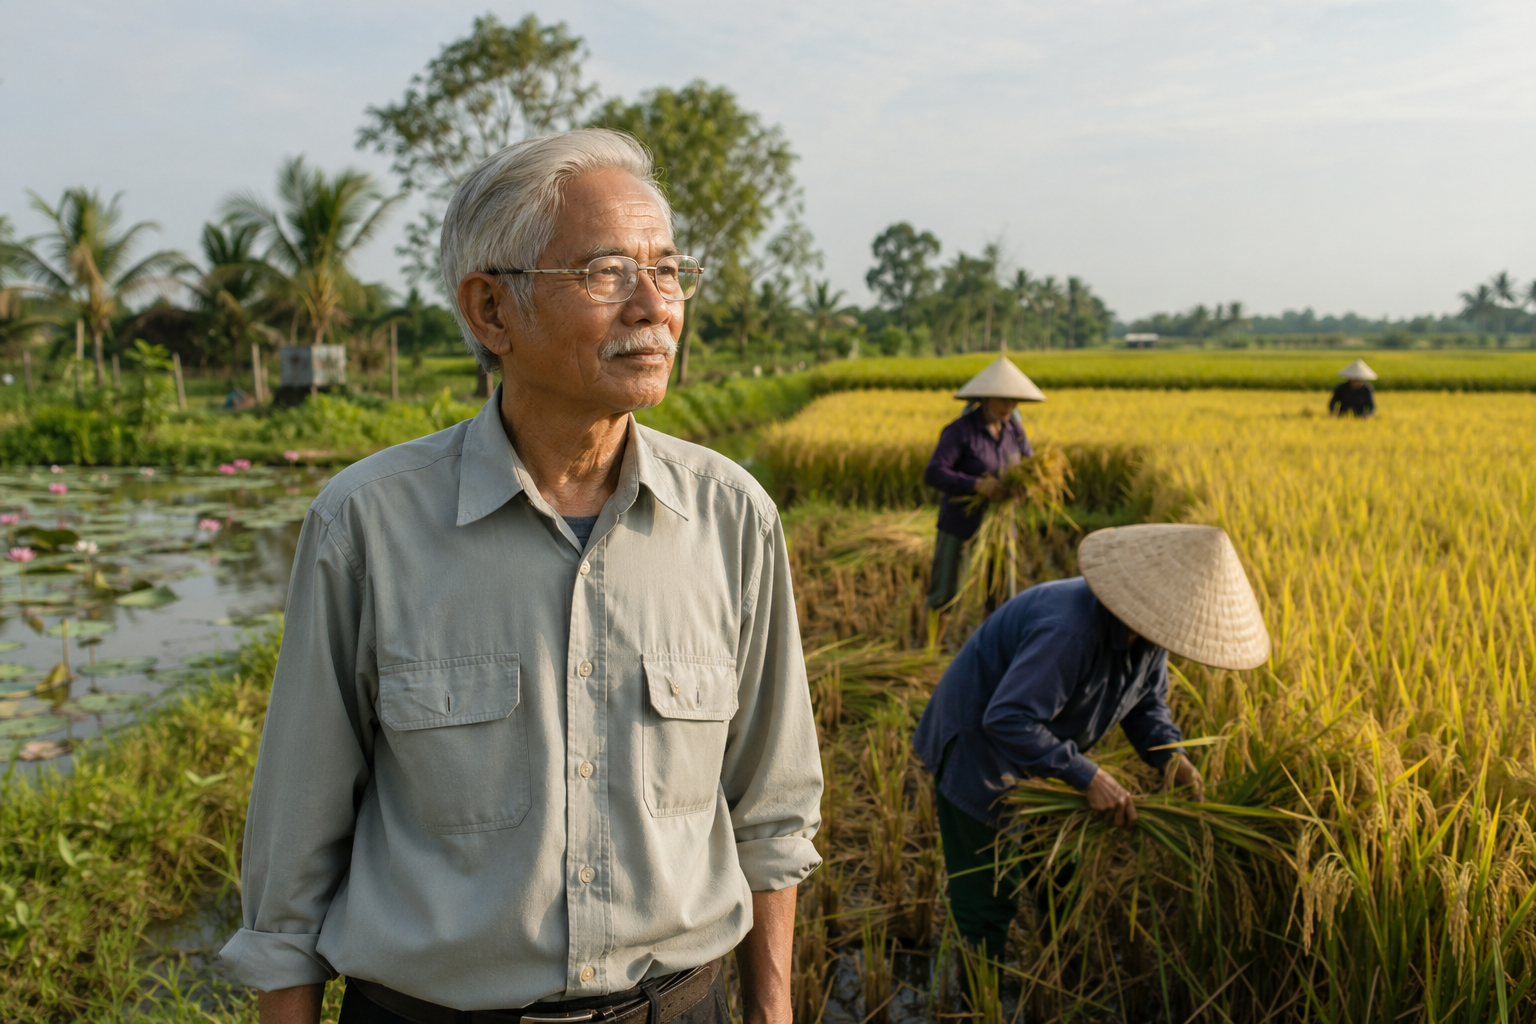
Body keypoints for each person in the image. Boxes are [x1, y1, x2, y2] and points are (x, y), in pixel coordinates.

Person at [220, 129, 823, 1024]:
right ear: (491, 311)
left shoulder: (732, 519)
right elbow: (293, 852)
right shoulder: (366, 527)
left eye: (669, 270)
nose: (655, 306)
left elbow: (772, 819)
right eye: (609, 271)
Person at [911, 524, 1271, 955]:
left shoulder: (1151, 637)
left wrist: (1172, 758)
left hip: (1043, 749)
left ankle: (1061, 961)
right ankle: (980, 987)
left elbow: (1147, 705)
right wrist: (1090, 777)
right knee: (989, 890)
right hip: (980, 751)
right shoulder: (1070, 628)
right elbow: (1008, 717)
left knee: (1059, 867)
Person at [922, 357, 1047, 614]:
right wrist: (976, 485)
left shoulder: (1016, 432)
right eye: (1003, 400)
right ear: (985, 398)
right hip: (959, 522)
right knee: (944, 593)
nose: (1009, 406)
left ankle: (996, 649)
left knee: (1002, 596)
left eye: (1014, 401)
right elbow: (934, 473)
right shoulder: (959, 432)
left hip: (1000, 526)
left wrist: (1027, 487)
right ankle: (934, 649)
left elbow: (1030, 468)